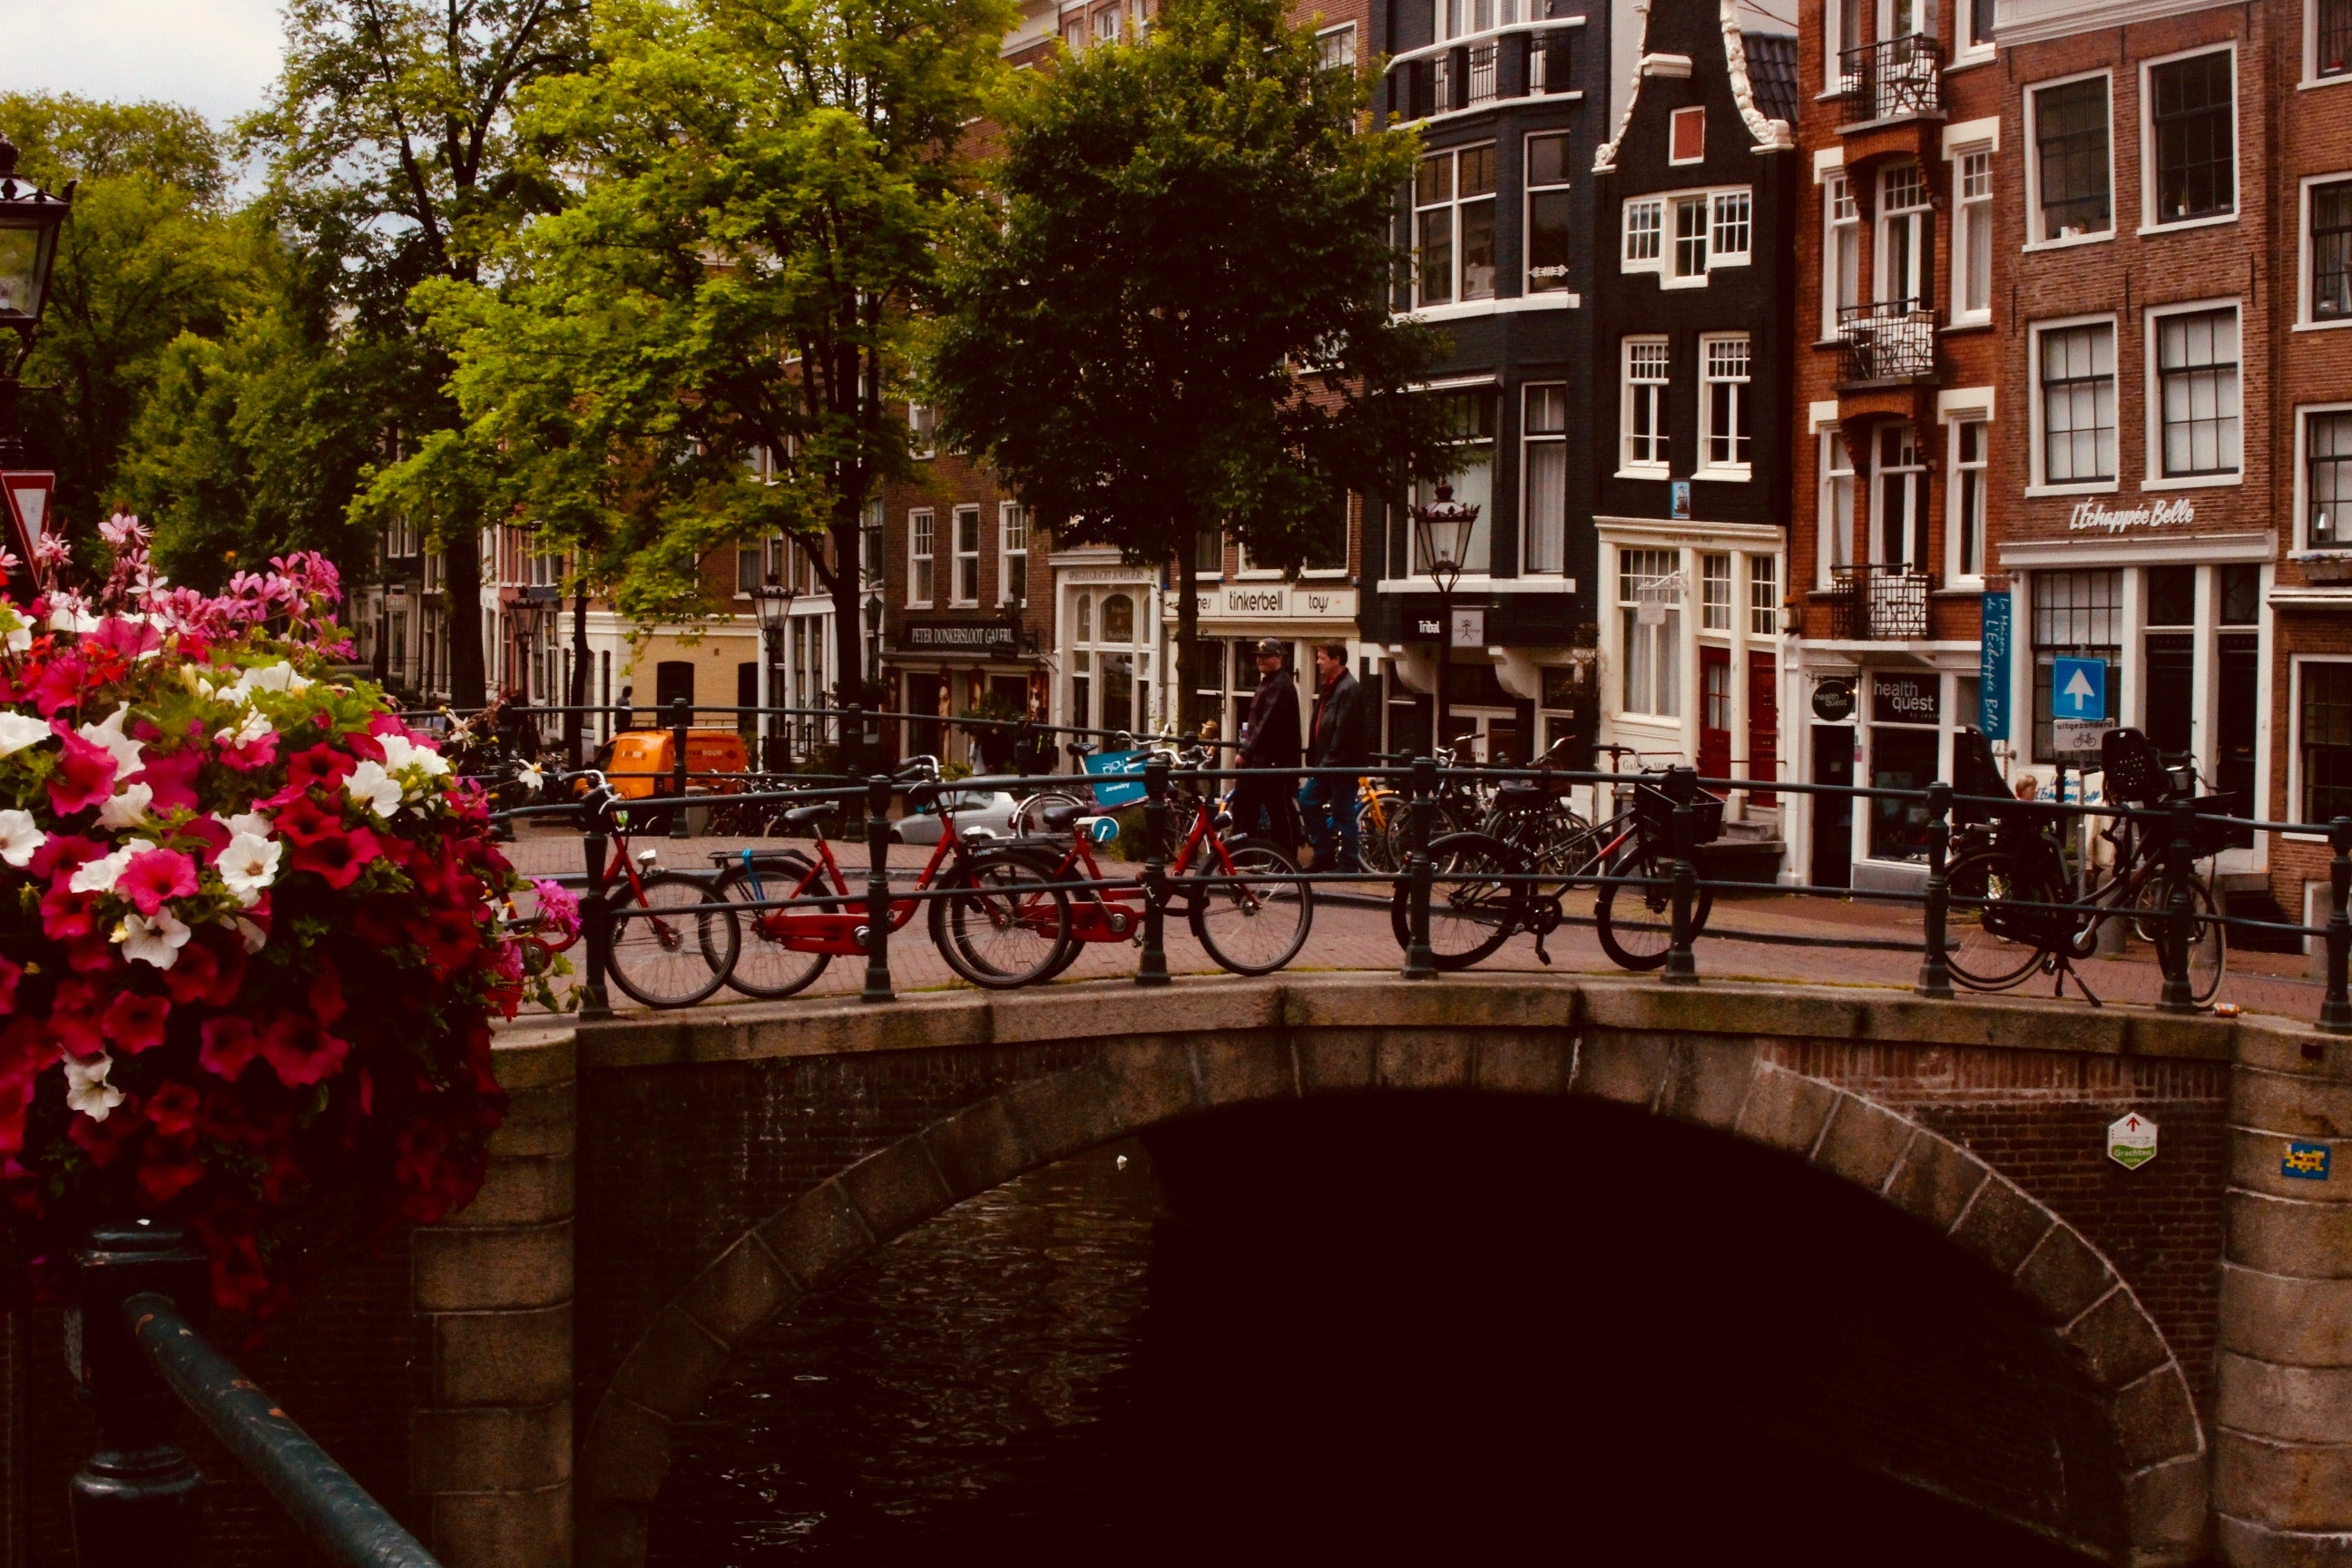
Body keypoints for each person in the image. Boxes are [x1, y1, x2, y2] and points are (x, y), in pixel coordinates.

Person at [1298, 642, 1369, 871]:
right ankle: (1324, 853)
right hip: (1328, 762)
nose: (1318, 662)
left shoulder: (1348, 689)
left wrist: (1326, 762)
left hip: (1340, 763)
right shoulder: (1331, 686)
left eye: (1321, 658)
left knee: (1342, 811)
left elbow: (1344, 731)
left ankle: (1348, 861)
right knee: (1308, 801)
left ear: (1336, 659)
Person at [1230, 639, 1300, 851]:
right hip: (1262, 760)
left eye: (1265, 656)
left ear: (1279, 657)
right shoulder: (1269, 682)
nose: (1260, 660)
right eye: (1258, 656)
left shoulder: (1280, 684)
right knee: (1246, 805)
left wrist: (1245, 751)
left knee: (1277, 809)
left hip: (1272, 761)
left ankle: (1285, 858)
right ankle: (1242, 854)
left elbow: (1266, 723)